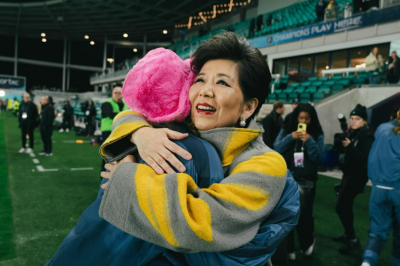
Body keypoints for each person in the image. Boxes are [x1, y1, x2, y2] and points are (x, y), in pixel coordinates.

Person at [47, 37, 300, 265]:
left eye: (222, 82)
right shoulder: (184, 129)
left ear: (248, 107)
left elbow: (200, 221)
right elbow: (129, 115)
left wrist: (127, 175)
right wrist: (141, 133)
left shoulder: (266, 163)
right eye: (200, 79)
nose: (205, 90)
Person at [274, 103, 324, 260]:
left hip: (306, 181)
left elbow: (318, 157)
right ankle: (289, 250)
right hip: (287, 178)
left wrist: (309, 140)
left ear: (311, 119)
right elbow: (276, 148)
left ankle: (306, 245)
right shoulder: (288, 128)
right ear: (296, 117)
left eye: (307, 118)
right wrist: (291, 137)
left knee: (304, 216)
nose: (303, 121)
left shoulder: (317, 133)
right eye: (301, 117)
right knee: (286, 216)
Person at [333, 104, 374, 254]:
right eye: (352, 118)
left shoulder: (367, 135)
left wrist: (350, 147)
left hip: (357, 177)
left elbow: (365, 159)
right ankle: (348, 235)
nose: (353, 121)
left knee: (341, 206)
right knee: (345, 206)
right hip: (348, 175)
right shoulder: (352, 132)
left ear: (364, 121)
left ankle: (352, 239)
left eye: (357, 119)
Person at [361, 107, 400, 266]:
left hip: (378, 189)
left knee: (376, 233)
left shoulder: (382, 128)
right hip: (398, 189)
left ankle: (366, 263)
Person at [100, 86, 129, 171]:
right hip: (108, 132)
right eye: (115, 93)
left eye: (119, 93)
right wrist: (125, 114)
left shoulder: (125, 105)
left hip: (121, 132)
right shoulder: (107, 104)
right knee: (108, 156)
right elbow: (112, 115)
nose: (117, 95)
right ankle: (104, 178)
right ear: (112, 94)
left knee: (120, 155)